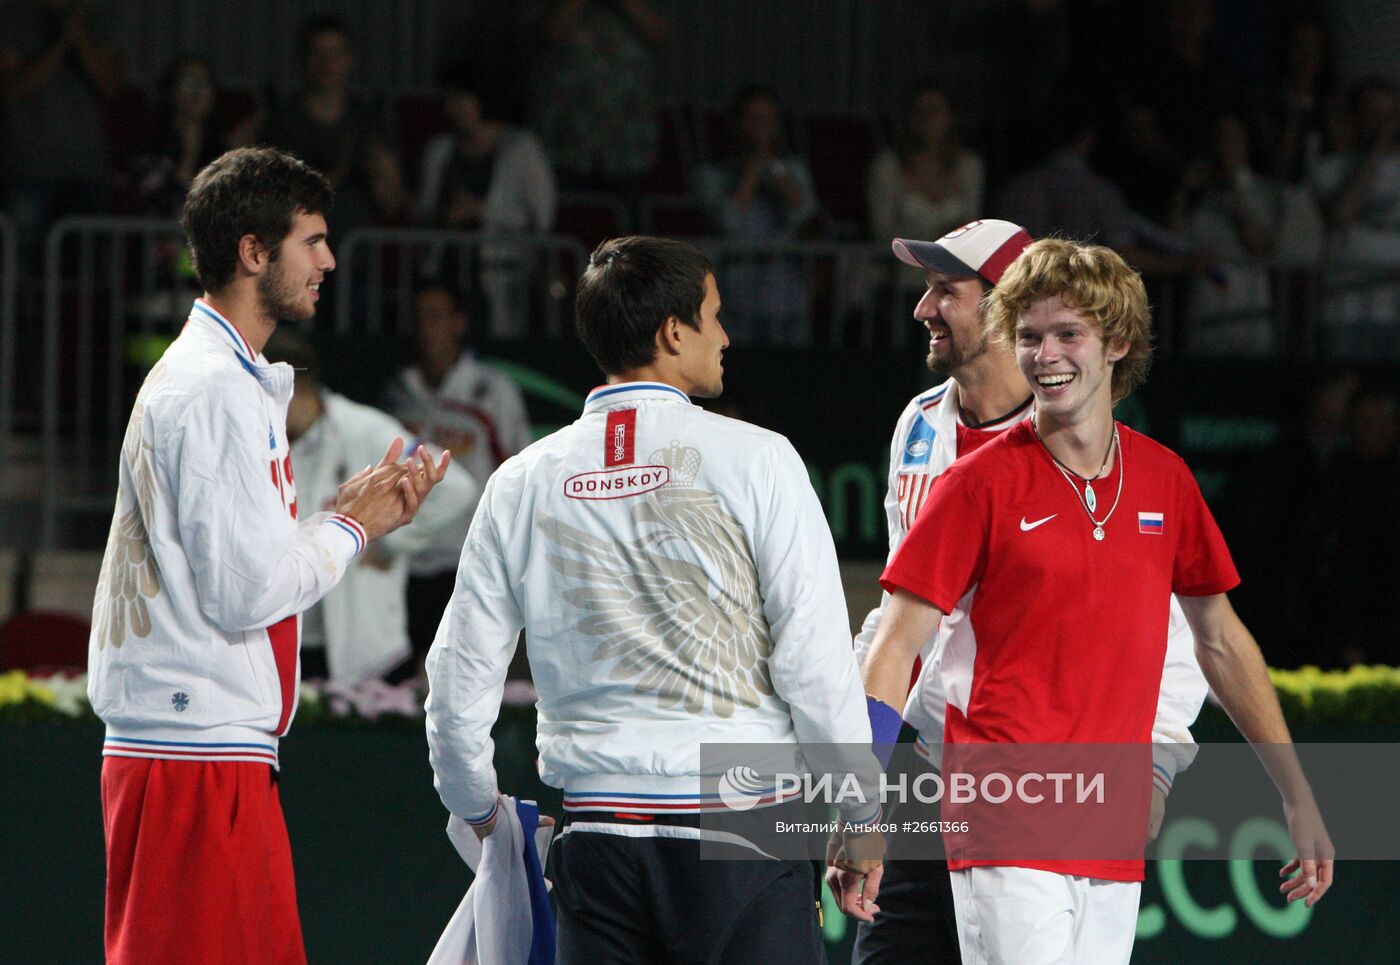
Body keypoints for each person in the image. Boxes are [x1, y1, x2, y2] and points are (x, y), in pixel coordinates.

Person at [840, 237, 1334, 963]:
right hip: (997, 806)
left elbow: (1219, 641)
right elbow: (895, 642)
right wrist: (859, 800)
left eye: (1068, 334)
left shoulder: (1164, 479)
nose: (1046, 355)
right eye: (1031, 336)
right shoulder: (973, 480)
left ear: (1118, 344)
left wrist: (1296, 794)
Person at [424, 235, 875, 964]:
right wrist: (861, 809)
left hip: (598, 841)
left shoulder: (522, 480)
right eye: (714, 315)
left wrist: (475, 806)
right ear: (673, 331)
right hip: (747, 833)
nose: (726, 336)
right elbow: (814, 663)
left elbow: (457, 681)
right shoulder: (761, 459)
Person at [86, 146, 451, 965]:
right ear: (253, 251)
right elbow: (247, 590)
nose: (329, 259)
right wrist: (349, 526)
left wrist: (348, 520)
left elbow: (238, 569)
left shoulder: (223, 376)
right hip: (191, 758)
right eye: (312, 240)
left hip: (205, 749)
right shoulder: (214, 386)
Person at [263, 329, 480, 684]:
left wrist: (389, 541)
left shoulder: (366, 430)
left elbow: (455, 485)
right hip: (283, 638)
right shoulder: (257, 439)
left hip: (366, 648)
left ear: (291, 389)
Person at [384, 278, 532, 668]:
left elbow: (518, 473)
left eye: (436, 316)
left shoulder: (491, 391)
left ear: (459, 323)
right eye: (418, 318)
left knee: (465, 677)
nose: (425, 327)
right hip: (405, 563)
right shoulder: (399, 390)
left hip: (466, 563)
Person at [415, 64, 557, 338]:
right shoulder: (439, 150)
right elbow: (425, 211)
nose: (453, 108)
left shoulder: (522, 148)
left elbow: (542, 218)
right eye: (450, 99)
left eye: (461, 99)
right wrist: (445, 215)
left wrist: (483, 212)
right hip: (447, 273)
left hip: (504, 275)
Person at [260, 14, 407, 234]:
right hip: (296, 248)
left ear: (349, 59)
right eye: (316, 52)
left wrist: (380, 175)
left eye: (335, 53)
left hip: (356, 250)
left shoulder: (369, 121)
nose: (326, 63)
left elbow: (392, 202)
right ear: (302, 58)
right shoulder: (281, 121)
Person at [697, 85, 820, 345]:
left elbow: (803, 212)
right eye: (754, 119)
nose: (761, 128)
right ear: (737, 123)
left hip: (785, 288)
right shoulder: (713, 173)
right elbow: (728, 221)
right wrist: (752, 169)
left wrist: (773, 166)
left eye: (768, 120)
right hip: (735, 287)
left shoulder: (792, 168)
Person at [866, 83, 985, 298]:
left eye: (935, 110)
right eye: (920, 111)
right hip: (900, 283)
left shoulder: (969, 166)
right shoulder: (889, 166)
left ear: (950, 117)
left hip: (952, 282)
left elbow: (973, 225)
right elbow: (882, 231)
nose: (927, 118)